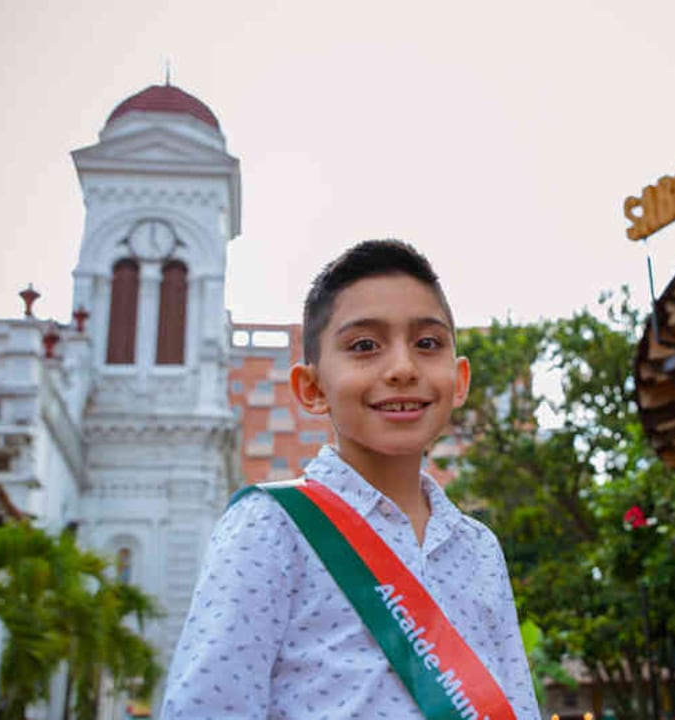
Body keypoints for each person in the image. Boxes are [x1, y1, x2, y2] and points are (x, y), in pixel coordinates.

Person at [161, 240, 540, 719]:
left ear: (460, 380)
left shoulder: (478, 548)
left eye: (427, 344)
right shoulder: (270, 527)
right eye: (364, 346)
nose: (402, 368)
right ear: (312, 388)